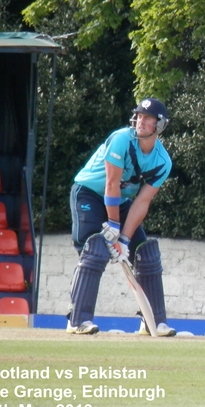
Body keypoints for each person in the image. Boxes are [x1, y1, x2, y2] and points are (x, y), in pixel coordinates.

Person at [67, 98, 175, 336]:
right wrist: (114, 227)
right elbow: (111, 183)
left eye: (147, 118)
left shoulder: (163, 161)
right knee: (94, 248)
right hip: (89, 193)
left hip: (122, 201)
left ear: (160, 125)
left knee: (144, 253)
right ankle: (77, 319)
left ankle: (153, 322)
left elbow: (142, 201)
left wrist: (124, 239)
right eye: (139, 116)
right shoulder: (121, 139)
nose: (141, 121)